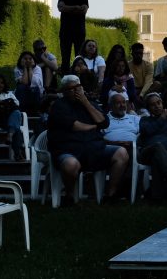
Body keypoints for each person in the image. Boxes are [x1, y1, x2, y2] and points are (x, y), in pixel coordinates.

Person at [48, 75, 130, 206]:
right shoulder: (59, 106)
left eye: (78, 87)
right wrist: (94, 126)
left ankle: (110, 195)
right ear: (63, 91)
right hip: (69, 149)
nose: (75, 91)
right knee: (71, 164)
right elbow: (75, 126)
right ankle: (69, 196)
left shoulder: (90, 103)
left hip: (94, 148)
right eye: (71, 88)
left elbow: (104, 122)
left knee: (122, 153)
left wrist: (85, 102)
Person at [137, 92, 167, 202]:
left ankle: (157, 197)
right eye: (153, 104)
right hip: (147, 152)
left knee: (158, 158)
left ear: (162, 103)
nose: (157, 106)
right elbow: (148, 131)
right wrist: (162, 119)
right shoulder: (144, 120)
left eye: (159, 103)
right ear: (148, 108)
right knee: (158, 146)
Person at [57, 0, 89, 72]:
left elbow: (83, 10)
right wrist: (76, 7)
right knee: (65, 59)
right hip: (65, 31)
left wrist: (68, 8)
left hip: (79, 31)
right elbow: (60, 8)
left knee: (79, 58)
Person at [14, 50, 45, 115]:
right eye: (25, 59)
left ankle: (35, 111)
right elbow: (24, 82)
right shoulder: (17, 69)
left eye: (30, 59)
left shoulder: (37, 68)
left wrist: (30, 68)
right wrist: (25, 68)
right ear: (21, 60)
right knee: (21, 87)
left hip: (36, 93)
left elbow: (34, 83)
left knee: (34, 88)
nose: (28, 61)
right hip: (22, 93)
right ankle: (21, 110)